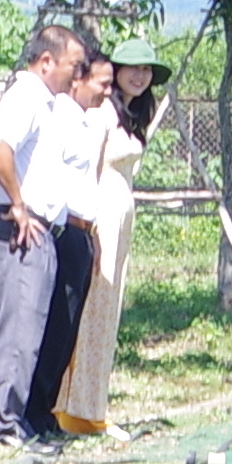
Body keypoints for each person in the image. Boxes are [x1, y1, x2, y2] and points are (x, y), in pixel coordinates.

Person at [0, 18, 104, 455]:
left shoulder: (49, 104)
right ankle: (2, 428)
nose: (78, 73)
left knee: (33, 334)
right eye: (74, 64)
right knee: (18, 334)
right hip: (21, 230)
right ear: (47, 61)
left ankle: (20, 423)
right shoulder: (26, 95)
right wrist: (18, 204)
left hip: (44, 231)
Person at [48, 53, 152, 438]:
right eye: (133, 68)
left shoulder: (128, 112)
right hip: (102, 216)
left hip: (121, 218)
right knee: (92, 308)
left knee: (107, 310)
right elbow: (88, 168)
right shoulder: (103, 112)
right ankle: (73, 408)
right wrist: (88, 222)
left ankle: (92, 405)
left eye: (146, 70)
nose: (140, 76)